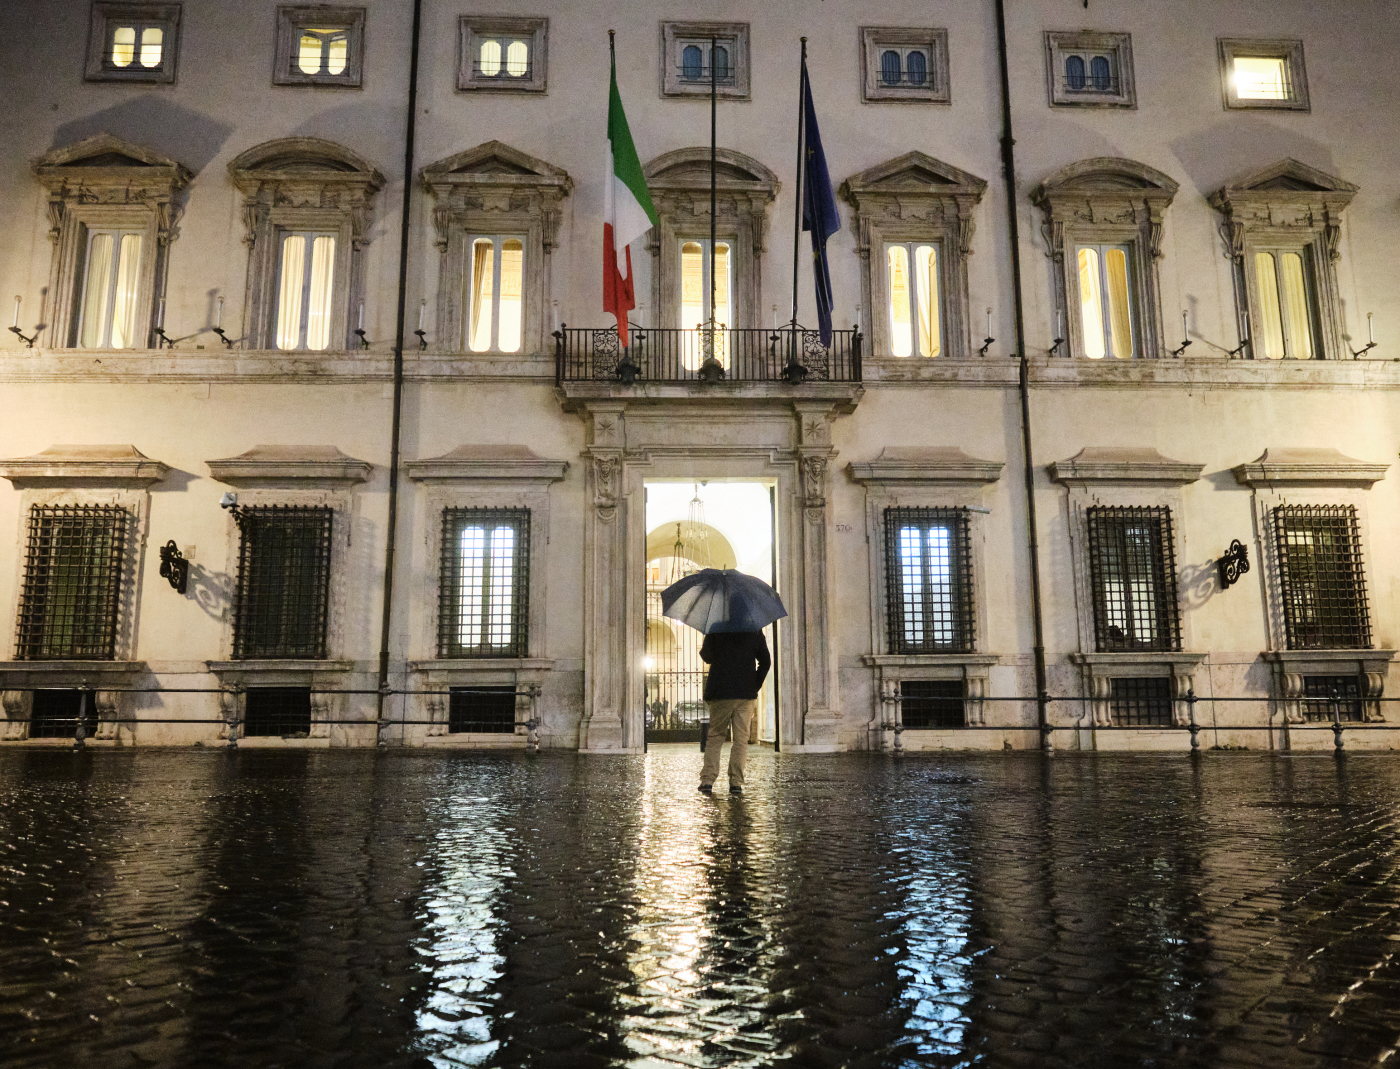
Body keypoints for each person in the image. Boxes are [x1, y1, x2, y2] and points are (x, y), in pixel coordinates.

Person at [697, 629, 770, 796]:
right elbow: (766, 661)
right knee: (741, 739)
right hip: (745, 694)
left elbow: (706, 656)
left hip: (720, 691)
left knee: (715, 736)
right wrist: (754, 685)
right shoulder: (754, 629)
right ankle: (736, 782)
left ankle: (708, 780)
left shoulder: (717, 627)